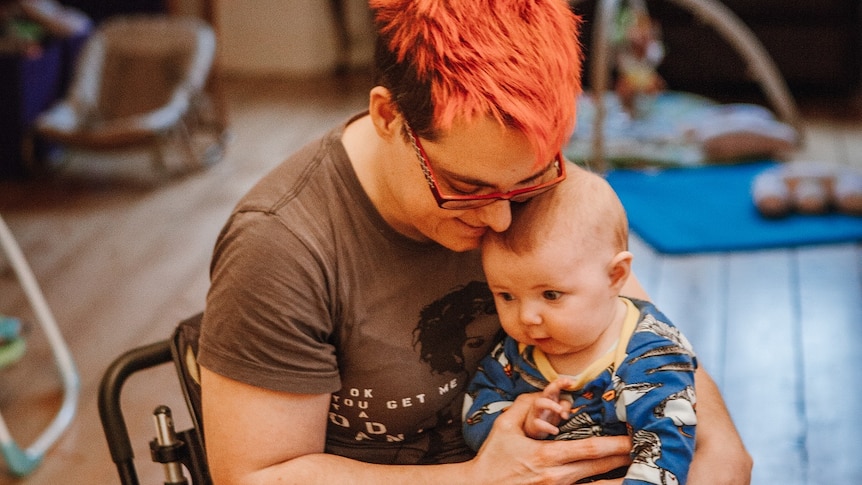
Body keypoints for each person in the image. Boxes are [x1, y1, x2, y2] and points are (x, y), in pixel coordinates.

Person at [196, 0, 752, 483]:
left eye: (530, 179)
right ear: (388, 116)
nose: (504, 218)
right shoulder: (282, 249)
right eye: (467, 187)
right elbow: (255, 474)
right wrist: (479, 477)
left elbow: (712, 439)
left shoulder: (522, 172)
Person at [463, 170, 697, 484]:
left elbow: (665, 451)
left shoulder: (652, 357)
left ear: (615, 276)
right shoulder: (515, 350)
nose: (527, 316)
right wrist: (519, 421)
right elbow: (477, 409)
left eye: (551, 295)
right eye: (506, 296)